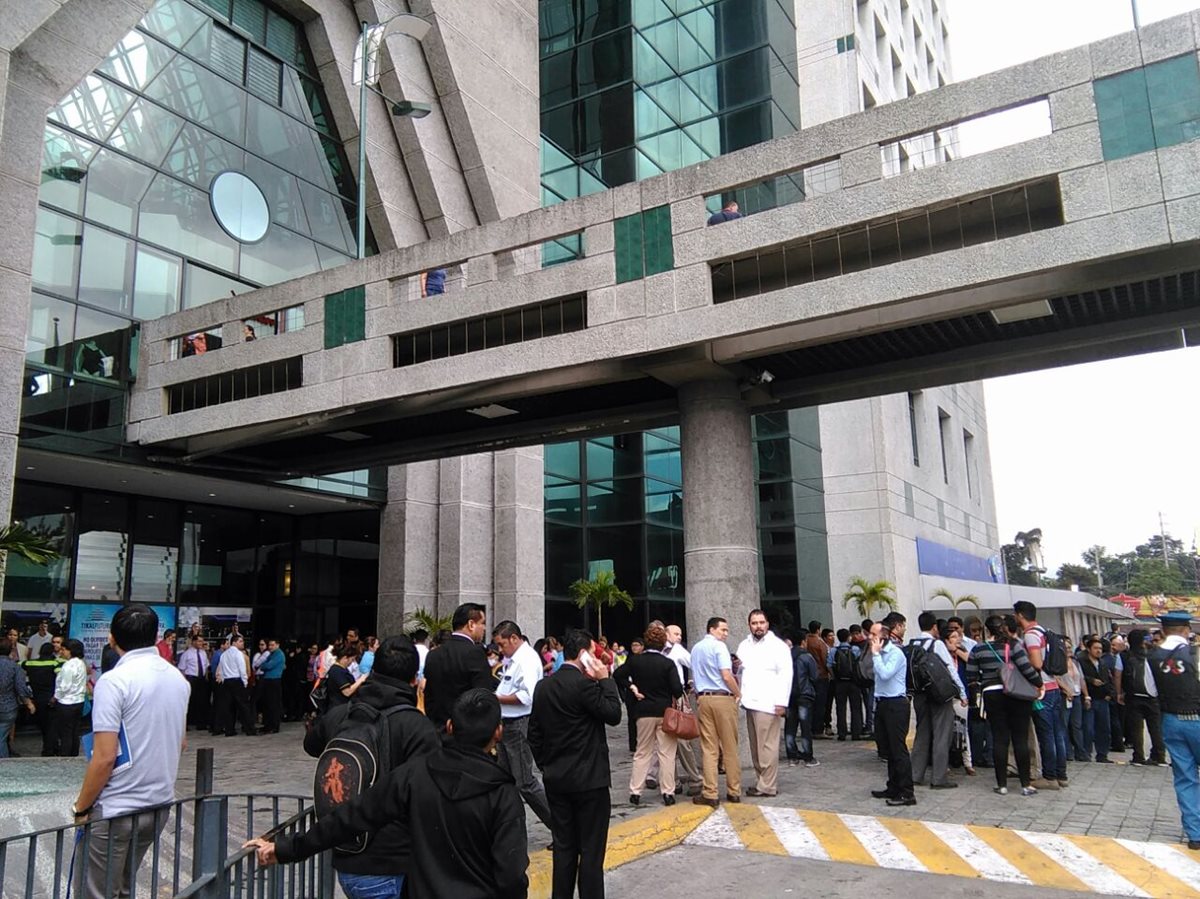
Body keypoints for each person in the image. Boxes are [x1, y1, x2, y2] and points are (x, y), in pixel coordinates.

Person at [251, 688, 530, 897]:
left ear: (450, 727)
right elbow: (512, 875)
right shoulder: (503, 795)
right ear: (498, 732)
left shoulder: (415, 774)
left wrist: (286, 848)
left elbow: (352, 816)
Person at [302, 634, 438, 898]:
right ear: (413, 679)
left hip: (344, 852)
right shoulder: (417, 727)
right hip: (391, 860)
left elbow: (311, 745)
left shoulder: (342, 714)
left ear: (372, 671)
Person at [70, 604, 189, 898]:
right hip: (158, 804)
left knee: (95, 892)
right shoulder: (178, 679)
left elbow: (105, 756)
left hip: (115, 809)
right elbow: (182, 742)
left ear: (112, 638)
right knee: (123, 888)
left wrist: (81, 807)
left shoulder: (113, 682)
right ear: (155, 635)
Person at [529, 628, 621, 899]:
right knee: (591, 852)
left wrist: (546, 764)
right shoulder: (585, 685)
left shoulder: (544, 686)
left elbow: (534, 734)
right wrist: (605, 679)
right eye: (593, 653)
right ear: (583, 655)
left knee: (564, 847)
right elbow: (613, 714)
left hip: (557, 779)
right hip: (590, 781)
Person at [966, 615, 1043, 796]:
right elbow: (1026, 668)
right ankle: (1025, 785)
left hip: (991, 694)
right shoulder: (1013, 645)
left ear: (987, 630)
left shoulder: (978, 649)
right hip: (1016, 693)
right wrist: (1039, 684)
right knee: (1020, 739)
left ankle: (1001, 785)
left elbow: (971, 676)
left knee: (1000, 739)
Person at [491, 620, 554, 832]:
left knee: (525, 782)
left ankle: (560, 828)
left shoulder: (526, 659)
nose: (500, 650)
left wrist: (497, 698)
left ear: (514, 638)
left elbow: (527, 696)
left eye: (502, 644)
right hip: (507, 724)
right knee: (505, 780)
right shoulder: (514, 659)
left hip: (518, 724)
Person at [1146, 611, 1200, 851]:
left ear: (1164, 630)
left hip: (1171, 721)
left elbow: (1151, 690)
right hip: (1197, 718)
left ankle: (1195, 834)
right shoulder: (1195, 653)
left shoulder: (1152, 656)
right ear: (1187, 629)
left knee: (1185, 777)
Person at [614, 624, 683, 806]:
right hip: (664, 712)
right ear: (663, 644)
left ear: (645, 642)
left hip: (643, 711)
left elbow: (617, 675)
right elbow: (677, 689)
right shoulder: (668, 664)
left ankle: (635, 791)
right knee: (666, 753)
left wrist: (632, 687)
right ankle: (668, 792)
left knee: (642, 752)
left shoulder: (635, 661)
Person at [735, 610, 792, 798]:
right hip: (750, 702)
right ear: (749, 625)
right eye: (754, 623)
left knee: (767, 746)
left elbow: (786, 675)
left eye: (761, 622)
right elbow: (740, 671)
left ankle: (768, 786)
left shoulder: (778, 647)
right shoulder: (744, 645)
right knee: (756, 747)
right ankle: (762, 781)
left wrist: (781, 702)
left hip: (769, 703)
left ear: (767, 624)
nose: (758, 626)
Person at [1013, 601, 1068, 790]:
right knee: (1058, 732)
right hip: (1053, 686)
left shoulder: (1030, 635)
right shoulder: (1044, 631)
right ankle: (1061, 774)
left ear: (1020, 615)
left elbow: (1036, 662)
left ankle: (1049, 776)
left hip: (1041, 690)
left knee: (1046, 734)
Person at [908, 612, 966, 790]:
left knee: (922, 733)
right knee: (942, 734)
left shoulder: (912, 644)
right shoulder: (937, 644)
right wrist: (962, 692)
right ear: (934, 627)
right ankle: (938, 778)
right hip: (938, 694)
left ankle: (915, 775)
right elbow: (950, 669)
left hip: (919, 694)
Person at [689, 617, 742, 807]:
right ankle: (734, 790)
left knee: (709, 747)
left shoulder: (695, 648)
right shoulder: (719, 647)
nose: (725, 634)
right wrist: (738, 693)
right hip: (723, 697)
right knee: (730, 746)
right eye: (723, 630)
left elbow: (694, 675)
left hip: (703, 697)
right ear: (712, 629)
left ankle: (710, 792)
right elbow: (726, 675)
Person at [423, 603, 494, 730]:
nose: (484, 628)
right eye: (482, 623)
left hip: (438, 729)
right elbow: (484, 695)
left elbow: (429, 697)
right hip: (467, 730)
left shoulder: (433, 654)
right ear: (471, 624)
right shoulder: (475, 653)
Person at [871, 612, 916, 806]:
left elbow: (885, 673)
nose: (870, 638)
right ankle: (893, 786)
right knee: (887, 748)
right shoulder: (879, 653)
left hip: (896, 704)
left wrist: (874, 655)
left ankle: (907, 792)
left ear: (885, 636)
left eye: (873, 635)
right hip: (882, 702)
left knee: (898, 749)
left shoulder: (895, 654)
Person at [663, 623, 701, 794]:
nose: (679, 637)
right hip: (661, 697)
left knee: (682, 739)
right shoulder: (657, 651)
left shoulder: (677, 650)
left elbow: (694, 664)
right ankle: (673, 780)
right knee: (664, 741)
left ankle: (695, 778)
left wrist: (694, 684)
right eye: (675, 633)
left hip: (676, 696)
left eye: (680, 634)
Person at [785, 630, 819, 767]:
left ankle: (792, 757)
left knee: (790, 727)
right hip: (804, 694)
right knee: (805, 727)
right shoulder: (806, 657)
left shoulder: (785, 655)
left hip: (788, 696)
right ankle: (808, 757)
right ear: (804, 641)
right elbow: (814, 676)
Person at [49, 639, 88, 757]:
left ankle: (65, 755)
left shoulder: (68, 666)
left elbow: (65, 686)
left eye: (64, 649)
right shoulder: (81, 663)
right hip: (79, 701)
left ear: (70, 651)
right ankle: (74, 754)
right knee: (75, 731)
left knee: (66, 732)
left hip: (67, 702)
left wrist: (55, 698)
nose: (61, 652)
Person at [215, 634, 257, 736]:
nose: (242, 643)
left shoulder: (224, 654)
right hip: (237, 680)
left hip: (227, 681)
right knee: (243, 706)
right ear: (234, 642)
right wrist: (245, 681)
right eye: (240, 641)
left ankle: (229, 730)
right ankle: (250, 729)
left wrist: (223, 678)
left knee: (229, 707)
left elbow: (221, 668)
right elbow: (241, 668)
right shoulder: (238, 654)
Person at [0, 637, 35, 758]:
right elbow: (21, 688)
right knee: (2, 737)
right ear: (11, 650)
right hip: (8, 707)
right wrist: (29, 703)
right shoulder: (15, 667)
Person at [24, 643, 61, 755]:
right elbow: (60, 679)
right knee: (52, 726)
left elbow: (19, 663)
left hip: (37, 699)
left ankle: (48, 747)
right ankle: (50, 749)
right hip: (51, 699)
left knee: (43, 725)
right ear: (52, 652)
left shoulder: (30, 663)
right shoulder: (55, 664)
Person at [1080, 638, 1113, 763]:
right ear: (1089, 649)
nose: (1098, 651)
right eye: (1095, 648)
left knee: (1104, 728)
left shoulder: (1103, 663)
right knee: (1088, 727)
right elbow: (1081, 678)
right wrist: (1091, 680)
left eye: (1100, 648)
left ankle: (1102, 754)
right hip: (1090, 698)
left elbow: (1109, 679)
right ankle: (1086, 753)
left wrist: (1110, 693)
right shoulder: (1082, 662)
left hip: (1103, 699)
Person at [830, 628, 864, 741]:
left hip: (840, 683)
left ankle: (842, 733)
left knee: (840, 708)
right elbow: (860, 663)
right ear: (849, 637)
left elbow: (829, 665)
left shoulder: (834, 650)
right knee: (856, 708)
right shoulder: (855, 649)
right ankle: (856, 733)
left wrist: (835, 676)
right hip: (854, 682)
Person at [177, 634, 210, 731]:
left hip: (201, 679)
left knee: (202, 701)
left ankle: (201, 723)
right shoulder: (187, 654)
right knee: (189, 701)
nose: (201, 643)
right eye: (199, 641)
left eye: (202, 641)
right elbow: (182, 668)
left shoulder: (203, 653)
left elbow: (206, 666)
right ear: (194, 642)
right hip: (191, 679)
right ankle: (185, 724)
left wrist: (206, 678)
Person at [325, 643, 368, 710]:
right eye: (352, 659)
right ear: (345, 658)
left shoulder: (341, 669)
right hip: (339, 708)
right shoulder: (337, 671)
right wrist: (361, 679)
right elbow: (347, 692)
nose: (352, 662)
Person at [257, 639, 285, 733]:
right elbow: (264, 664)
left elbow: (267, 665)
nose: (270, 647)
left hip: (274, 680)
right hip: (268, 680)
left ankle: (274, 726)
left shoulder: (279, 654)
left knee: (273, 704)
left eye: (272, 645)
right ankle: (268, 725)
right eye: (269, 645)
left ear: (277, 645)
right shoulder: (272, 654)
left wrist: (263, 666)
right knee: (267, 704)